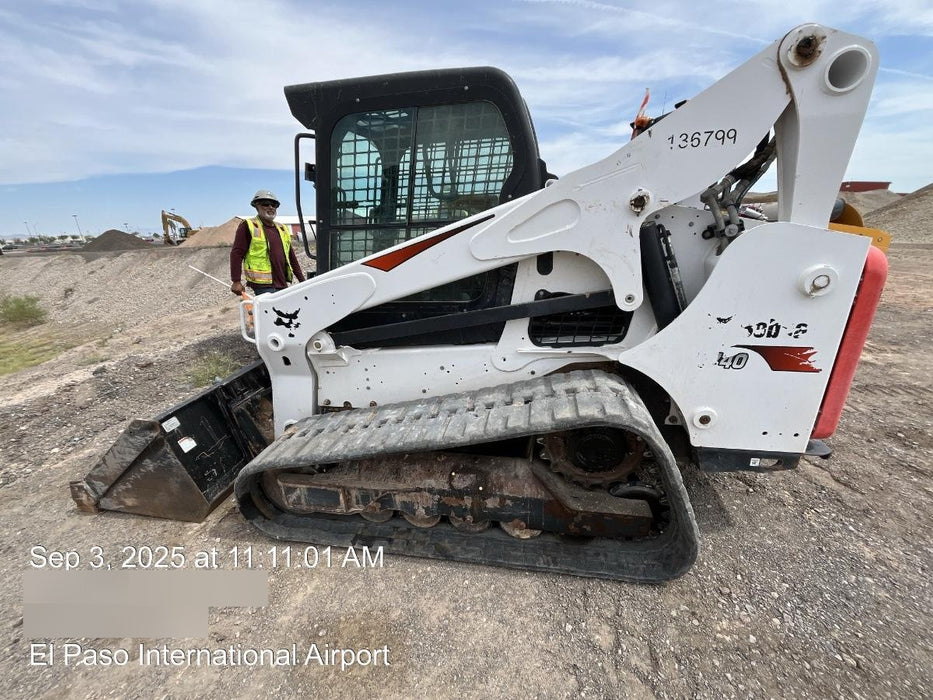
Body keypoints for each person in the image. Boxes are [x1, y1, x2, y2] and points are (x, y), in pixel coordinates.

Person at [230, 190, 305, 296]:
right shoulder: (249, 226)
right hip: (263, 286)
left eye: (274, 205)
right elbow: (237, 254)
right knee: (270, 312)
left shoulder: (282, 228)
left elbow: (291, 256)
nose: (271, 207)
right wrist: (236, 281)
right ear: (257, 206)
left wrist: (302, 281)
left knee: (283, 312)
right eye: (266, 204)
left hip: (282, 283)